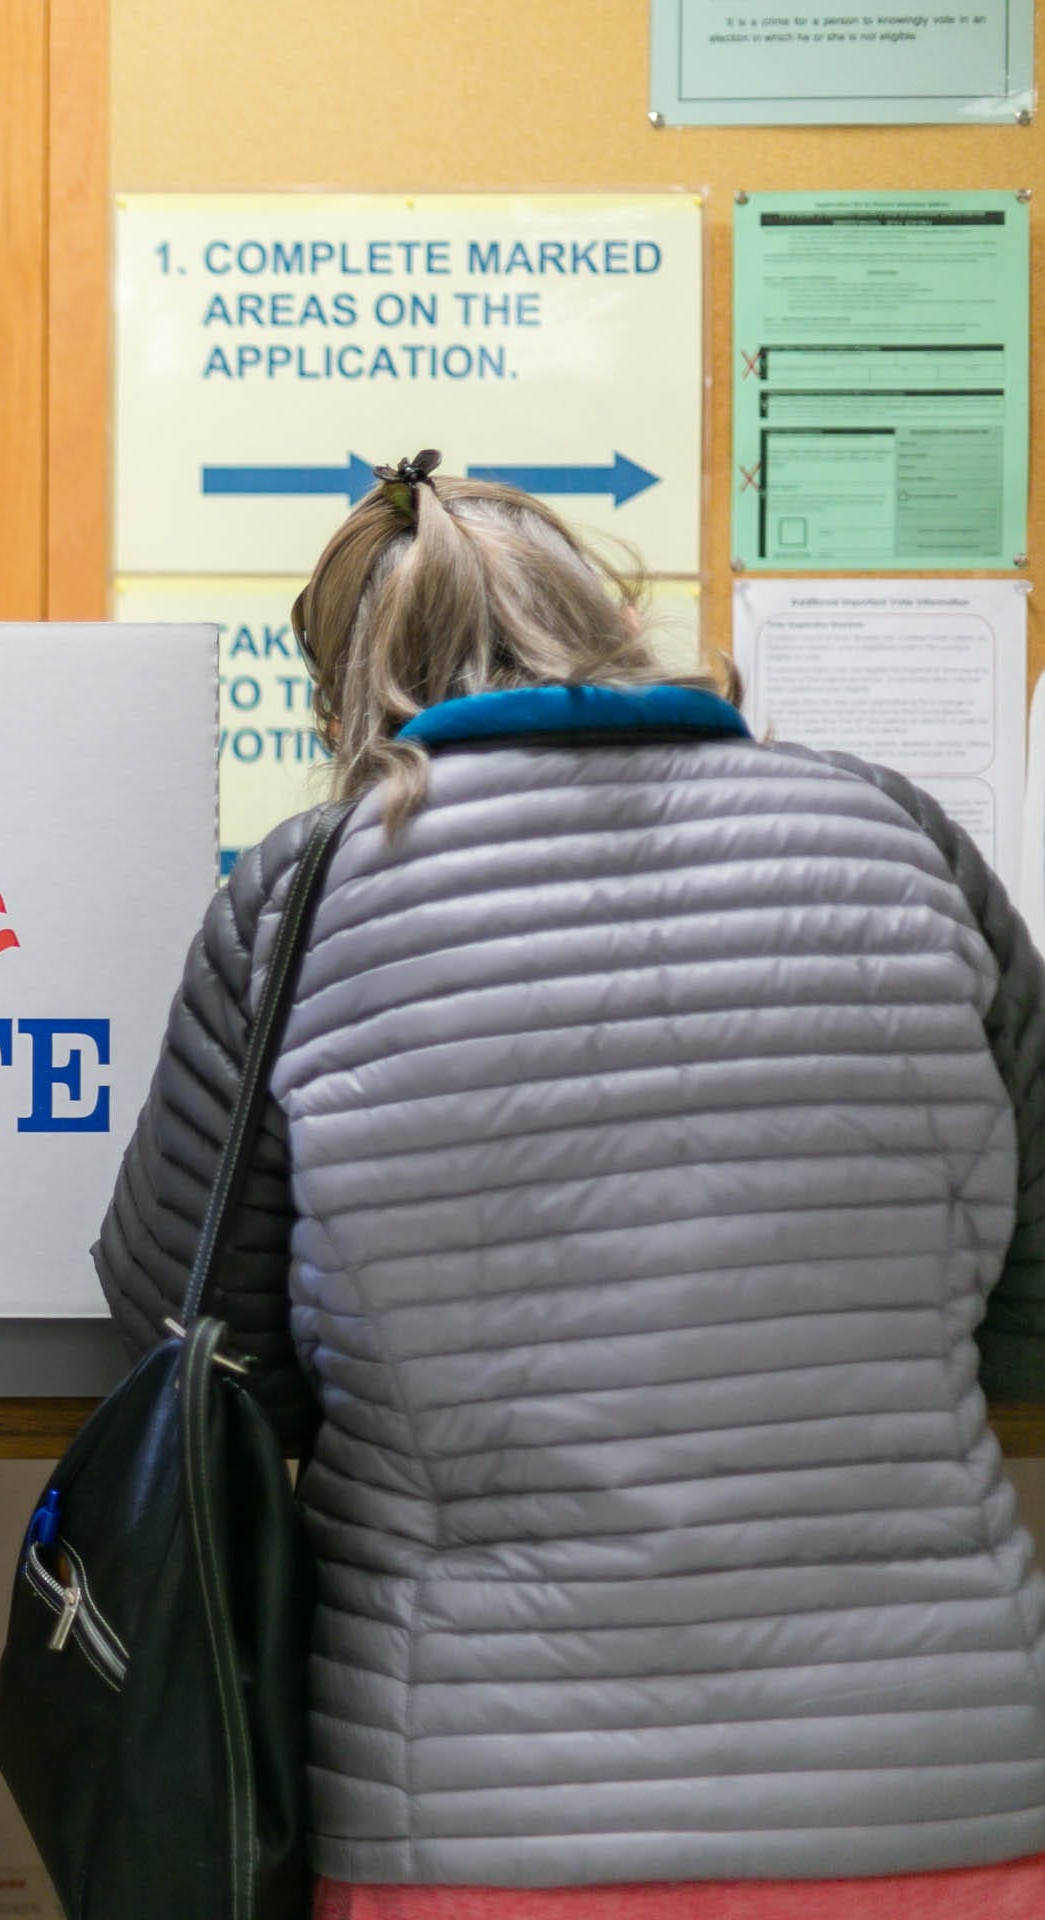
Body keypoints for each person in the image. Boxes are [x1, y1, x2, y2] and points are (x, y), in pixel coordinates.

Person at [95, 459, 1045, 1916]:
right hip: (942, 1788)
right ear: (610, 618)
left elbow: (202, 1352)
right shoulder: (898, 836)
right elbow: (1035, 1312)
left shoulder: (308, 895)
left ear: (344, 687)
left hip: (472, 1804)